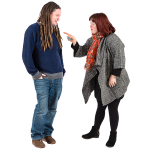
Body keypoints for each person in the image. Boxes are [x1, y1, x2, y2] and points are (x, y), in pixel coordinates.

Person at [22, 1, 130, 149]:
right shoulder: (93, 39)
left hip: (114, 80)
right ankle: (93, 131)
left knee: (111, 107)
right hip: (99, 79)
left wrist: (114, 75)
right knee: (98, 106)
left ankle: (112, 135)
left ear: (100, 23)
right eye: (57, 15)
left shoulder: (113, 39)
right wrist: (74, 42)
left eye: (92, 23)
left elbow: (120, 57)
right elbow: (81, 51)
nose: (90, 26)